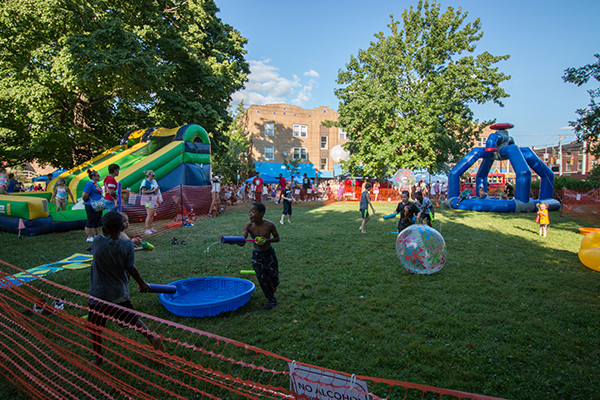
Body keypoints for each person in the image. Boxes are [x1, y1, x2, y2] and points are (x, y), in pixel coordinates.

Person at [88, 211, 165, 366]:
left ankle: (98, 358)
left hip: (98, 295)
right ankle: (152, 337)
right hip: (118, 294)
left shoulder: (97, 241)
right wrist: (142, 283)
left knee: (95, 328)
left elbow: (101, 241)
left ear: (104, 230)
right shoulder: (128, 245)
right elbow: (131, 268)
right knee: (133, 320)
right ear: (123, 228)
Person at [241, 203, 280, 310]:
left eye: (253, 212)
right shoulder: (248, 226)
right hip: (257, 255)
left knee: (274, 277)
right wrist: (234, 241)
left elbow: (277, 238)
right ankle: (271, 300)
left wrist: (268, 240)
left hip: (269, 254)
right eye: (249, 212)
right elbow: (243, 241)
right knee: (262, 277)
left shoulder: (269, 225)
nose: (250, 214)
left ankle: (273, 286)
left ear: (261, 213)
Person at [82, 170, 104, 242]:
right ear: (93, 176)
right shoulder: (89, 184)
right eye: (97, 175)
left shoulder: (96, 184)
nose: (99, 177)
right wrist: (86, 201)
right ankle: (89, 237)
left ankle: (97, 234)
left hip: (98, 205)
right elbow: (85, 195)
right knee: (90, 220)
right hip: (91, 205)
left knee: (97, 220)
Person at [140, 170, 161, 235]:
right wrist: (153, 190)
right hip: (147, 200)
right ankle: (147, 229)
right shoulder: (145, 182)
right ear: (148, 175)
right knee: (149, 214)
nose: (154, 177)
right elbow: (143, 191)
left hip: (153, 199)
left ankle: (150, 227)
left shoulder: (153, 182)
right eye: (152, 176)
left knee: (152, 214)